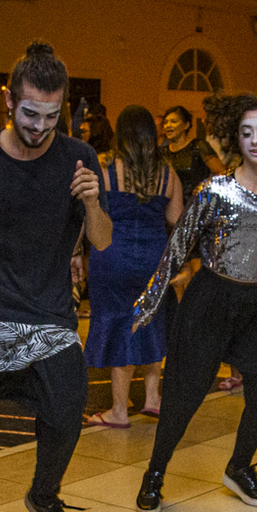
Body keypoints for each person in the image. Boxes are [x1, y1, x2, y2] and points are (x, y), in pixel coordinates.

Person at [133, 93, 257, 512]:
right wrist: (151, 297)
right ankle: (154, 473)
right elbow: (179, 246)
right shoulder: (215, 190)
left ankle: (240, 467)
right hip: (212, 299)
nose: (255, 140)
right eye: (247, 132)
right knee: (184, 393)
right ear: (236, 138)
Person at [0, 42, 112, 512]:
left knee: (69, 402)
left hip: (49, 315)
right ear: (9, 100)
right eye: (30, 113)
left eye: (52, 116)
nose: (39, 126)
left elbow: (102, 241)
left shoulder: (78, 157)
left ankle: (44, 494)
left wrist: (92, 202)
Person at [84, 105, 183, 427]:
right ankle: (153, 398)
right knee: (150, 320)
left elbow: (87, 213)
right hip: (154, 255)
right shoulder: (167, 172)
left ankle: (119, 410)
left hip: (112, 252)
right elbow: (176, 218)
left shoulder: (103, 166)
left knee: (119, 323)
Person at [160, 105, 226, 198]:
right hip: (169, 202)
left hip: (196, 202)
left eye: (173, 121)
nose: (168, 125)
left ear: (186, 125)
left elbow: (223, 173)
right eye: (165, 122)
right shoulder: (162, 152)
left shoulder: (199, 146)